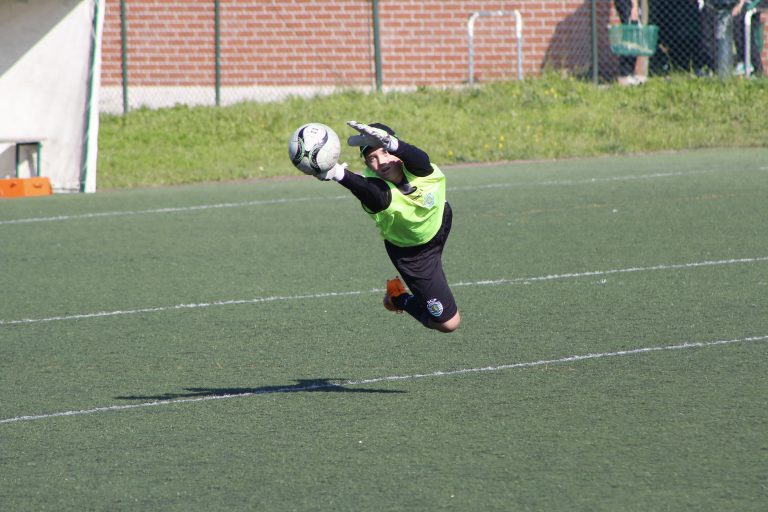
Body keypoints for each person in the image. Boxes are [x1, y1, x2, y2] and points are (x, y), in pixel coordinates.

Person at [315, 121, 461, 333]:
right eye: (372, 158)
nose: (381, 162)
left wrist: (393, 144)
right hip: (414, 254)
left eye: (384, 151)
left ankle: (431, 288)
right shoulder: (376, 189)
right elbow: (368, 191)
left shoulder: (418, 166)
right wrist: (338, 173)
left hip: (441, 222)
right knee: (448, 323)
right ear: (366, 164)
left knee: (437, 294)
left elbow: (419, 158)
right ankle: (398, 298)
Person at [614, 0, 645, 85]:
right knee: (630, 36)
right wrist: (634, 6)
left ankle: (629, 73)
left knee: (633, 36)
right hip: (628, 3)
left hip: (629, 4)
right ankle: (625, 74)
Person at [733, 0, 765, 76]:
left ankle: (756, 67)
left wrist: (741, 4)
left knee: (742, 20)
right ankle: (743, 62)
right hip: (745, 4)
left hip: (753, 4)